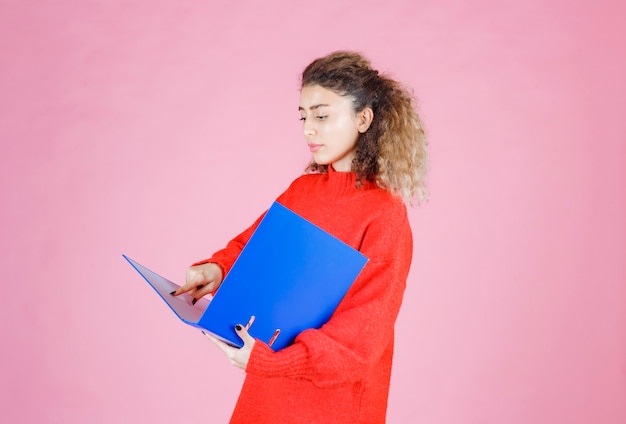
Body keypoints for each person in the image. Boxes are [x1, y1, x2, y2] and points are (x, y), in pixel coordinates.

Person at [172, 51, 429, 423]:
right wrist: (216, 268)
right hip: (267, 392)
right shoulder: (302, 191)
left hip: (332, 406)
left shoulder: (384, 216)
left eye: (322, 116)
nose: (309, 129)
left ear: (363, 118)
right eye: (304, 116)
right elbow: (252, 249)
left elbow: (361, 342)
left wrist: (275, 361)